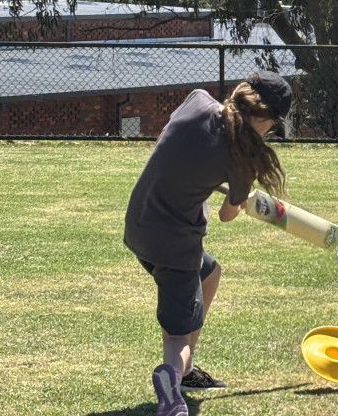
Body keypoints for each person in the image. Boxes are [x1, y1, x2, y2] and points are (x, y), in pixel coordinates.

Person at [124, 71, 291, 416]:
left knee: (210, 273)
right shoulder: (242, 160)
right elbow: (226, 216)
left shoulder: (197, 100)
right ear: (268, 121)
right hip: (175, 245)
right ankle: (173, 378)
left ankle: (186, 372)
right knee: (176, 336)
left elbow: (177, 147)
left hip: (139, 224)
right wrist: (239, 198)